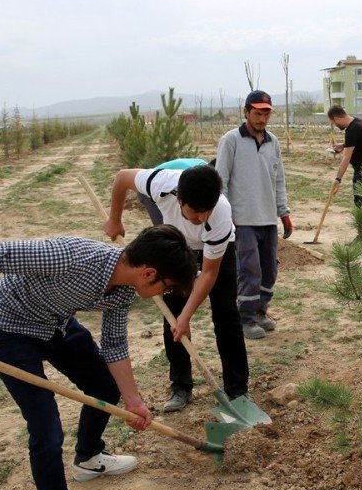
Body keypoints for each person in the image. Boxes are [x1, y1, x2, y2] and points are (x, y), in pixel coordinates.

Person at [0, 226, 197, 490]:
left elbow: (115, 345)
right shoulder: (72, 257)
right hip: (9, 330)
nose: (162, 293)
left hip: (55, 324)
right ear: (150, 273)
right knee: (46, 428)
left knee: (105, 387)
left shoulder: (122, 289)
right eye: (166, 287)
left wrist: (133, 401)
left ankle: (89, 458)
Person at [104, 161, 250, 413]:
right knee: (172, 315)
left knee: (226, 315)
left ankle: (237, 391)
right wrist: (114, 219)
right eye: (196, 211)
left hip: (216, 252)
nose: (202, 217)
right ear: (179, 199)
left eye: (208, 210)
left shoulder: (221, 214)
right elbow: (122, 177)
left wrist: (188, 315)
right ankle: (181, 385)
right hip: (177, 245)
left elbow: (208, 273)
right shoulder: (160, 184)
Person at [216, 90, 291, 340]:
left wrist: (284, 212)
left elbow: (278, 180)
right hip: (242, 220)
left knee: (269, 271)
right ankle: (245, 318)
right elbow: (221, 182)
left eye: (266, 114)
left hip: (268, 219)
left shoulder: (273, 142)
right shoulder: (231, 141)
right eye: (257, 113)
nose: (261, 119)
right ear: (246, 112)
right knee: (250, 270)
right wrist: (227, 217)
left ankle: (260, 311)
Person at [327, 105, 362, 208]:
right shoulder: (356, 122)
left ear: (336, 118)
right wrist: (344, 146)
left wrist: (338, 179)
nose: (335, 125)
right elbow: (359, 143)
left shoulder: (352, 129)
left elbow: (346, 158)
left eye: (334, 123)